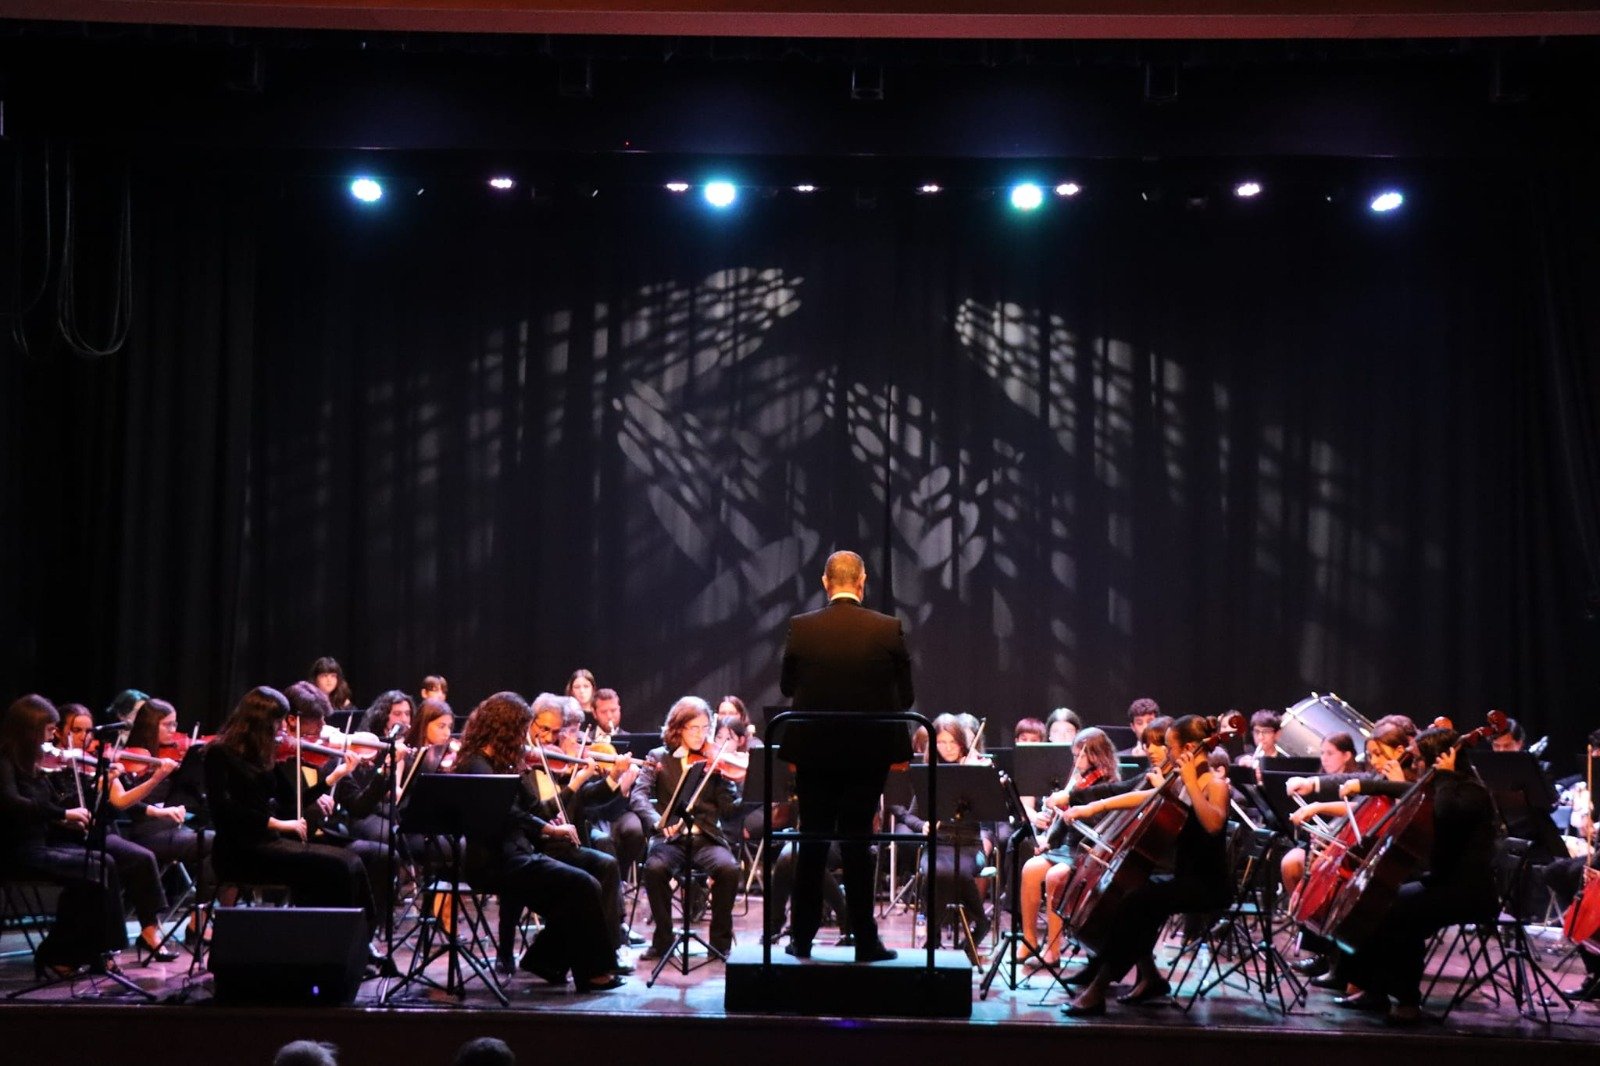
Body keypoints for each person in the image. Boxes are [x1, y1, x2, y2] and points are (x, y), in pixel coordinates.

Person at [776, 549, 913, 964]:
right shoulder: (888, 628)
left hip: (814, 752)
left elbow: (786, 688)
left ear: (825, 582)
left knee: (812, 839)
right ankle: (865, 940)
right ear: (862, 581)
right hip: (867, 752)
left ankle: (801, 939)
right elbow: (906, 697)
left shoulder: (801, 627)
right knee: (857, 842)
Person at [1058, 714, 1233, 1016]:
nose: (1168, 754)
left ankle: (1098, 988)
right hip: (1183, 879)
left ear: (1190, 748)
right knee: (1135, 898)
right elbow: (1145, 797)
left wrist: (1191, 783)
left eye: (1171, 747)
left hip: (1208, 885)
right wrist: (1093, 806)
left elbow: (1214, 824)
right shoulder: (1181, 780)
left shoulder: (1214, 784)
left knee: (1139, 902)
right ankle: (1148, 977)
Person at [451, 691, 624, 991]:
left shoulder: (508, 761)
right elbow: (507, 817)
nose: (526, 737)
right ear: (504, 729)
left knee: (583, 886)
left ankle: (546, 961)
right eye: (521, 729)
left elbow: (533, 810)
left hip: (519, 853)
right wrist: (549, 830)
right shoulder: (478, 765)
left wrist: (565, 795)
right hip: (494, 860)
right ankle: (591, 973)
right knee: (584, 886)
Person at [1333, 726, 1499, 1024]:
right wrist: (1364, 785)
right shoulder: (1444, 786)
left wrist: (1445, 775)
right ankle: (1374, 989)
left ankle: (1407, 1002)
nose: (1417, 766)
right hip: (1442, 883)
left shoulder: (1472, 792)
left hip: (1468, 891)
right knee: (1382, 903)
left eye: (1421, 759)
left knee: (1400, 912)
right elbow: (1409, 790)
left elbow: (1444, 813)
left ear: (1441, 758)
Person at [203, 687, 375, 922]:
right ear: (261, 721)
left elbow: (292, 802)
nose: (284, 728)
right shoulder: (219, 754)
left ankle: (358, 937)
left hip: (269, 844)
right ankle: (329, 937)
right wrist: (280, 825)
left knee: (350, 862)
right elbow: (225, 811)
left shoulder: (265, 755)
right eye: (279, 721)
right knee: (337, 867)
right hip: (239, 851)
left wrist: (335, 776)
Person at [1, 695, 130, 973]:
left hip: (40, 844)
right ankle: (56, 951)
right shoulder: (5, 761)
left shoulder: (33, 763)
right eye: (48, 730)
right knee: (89, 870)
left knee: (102, 862)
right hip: (17, 852)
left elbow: (43, 807)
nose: (50, 739)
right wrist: (63, 815)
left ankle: (99, 949)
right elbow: (12, 803)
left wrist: (66, 820)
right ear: (31, 730)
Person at [632, 696, 742, 960]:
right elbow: (638, 795)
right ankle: (663, 940)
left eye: (705, 728)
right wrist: (658, 822)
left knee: (728, 868)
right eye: (694, 728)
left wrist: (743, 789)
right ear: (678, 728)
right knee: (655, 869)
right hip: (670, 839)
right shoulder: (658, 757)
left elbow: (728, 810)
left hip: (705, 837)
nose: (700, 734)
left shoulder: (714, 762)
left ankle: (719, 944)